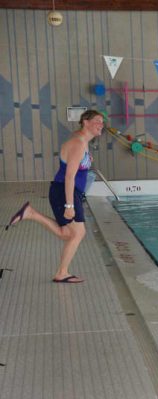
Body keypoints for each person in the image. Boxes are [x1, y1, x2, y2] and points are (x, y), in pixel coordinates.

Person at [6, 110, 104, 284]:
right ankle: (62, 272)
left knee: (67, 233)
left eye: (102, 122)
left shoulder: (81, 140)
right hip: (64, 191)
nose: (101, 124)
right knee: (77, 233)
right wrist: (69, 206)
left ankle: (31, 214)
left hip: (68, 191)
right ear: (85, 122)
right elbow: (69, 176)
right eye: (97, 121)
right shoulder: (78, 143)